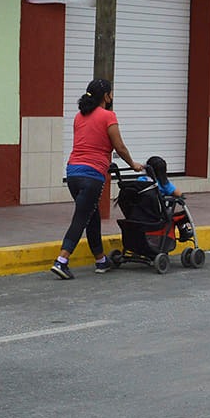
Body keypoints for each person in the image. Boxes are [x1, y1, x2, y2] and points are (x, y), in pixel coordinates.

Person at [52, 78, 141, 279]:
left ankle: (101, 260)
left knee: (92, 215)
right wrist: (132, 164)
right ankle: (62, 260)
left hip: (73, 173)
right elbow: (119, 146)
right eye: (111, 93)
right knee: (82, 217)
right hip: (92, 176)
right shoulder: (108, 116)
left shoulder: (79, 116)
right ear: (106, 96)